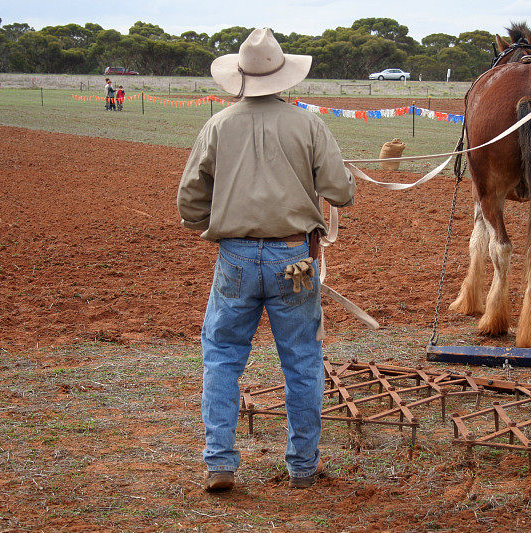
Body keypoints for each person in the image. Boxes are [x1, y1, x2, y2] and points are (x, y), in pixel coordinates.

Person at [177, 28, 355, 493]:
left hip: (234, 258)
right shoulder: (309, 124)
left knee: (221, 357)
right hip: (293, 257)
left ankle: (219, 461)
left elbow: (189, 200)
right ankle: (302, 465)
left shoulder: (217, 125)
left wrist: (210, 219)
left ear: (239, 77)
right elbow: (341, 191)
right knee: (301, 360)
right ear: (283, 76)